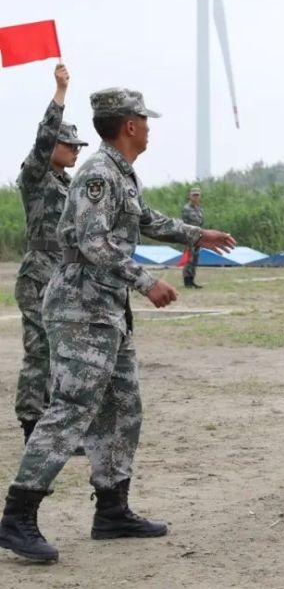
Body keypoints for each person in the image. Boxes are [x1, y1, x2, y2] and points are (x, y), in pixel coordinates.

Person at [0, 87, 237, 563]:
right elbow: (93, 242)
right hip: (80, 307)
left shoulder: (120, 174)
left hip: (107, 309)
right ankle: (16, 517)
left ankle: (112, 510)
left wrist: (197, 234)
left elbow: (144, 218)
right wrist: (147, 281)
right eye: (144, 120)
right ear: (129, 125)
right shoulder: (97, 175)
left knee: (122, 407)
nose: (149, 126)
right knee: (71, 408)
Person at [13, 64, 88, 445]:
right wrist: (60, 92)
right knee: (40, 352)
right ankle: (31, 427)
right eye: (70, 144)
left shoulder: (67, 184)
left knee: (63, 351)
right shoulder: (36, 175)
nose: (76, 151)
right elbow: (43, 138)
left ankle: (53, 428)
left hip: (62, 274)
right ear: (52, 147)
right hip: (38, 274)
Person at [181, 187, 204, 288]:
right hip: (189, 237)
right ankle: (187, 281)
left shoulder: (200, 209)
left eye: (197, 195)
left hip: (198, 237)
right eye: (194, 195)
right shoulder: (186, 208)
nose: (196, 197)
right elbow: (185, 224)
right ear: (190, 196)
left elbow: (200, 223)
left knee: (195, 259)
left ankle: (192, 280)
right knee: (189, 259)